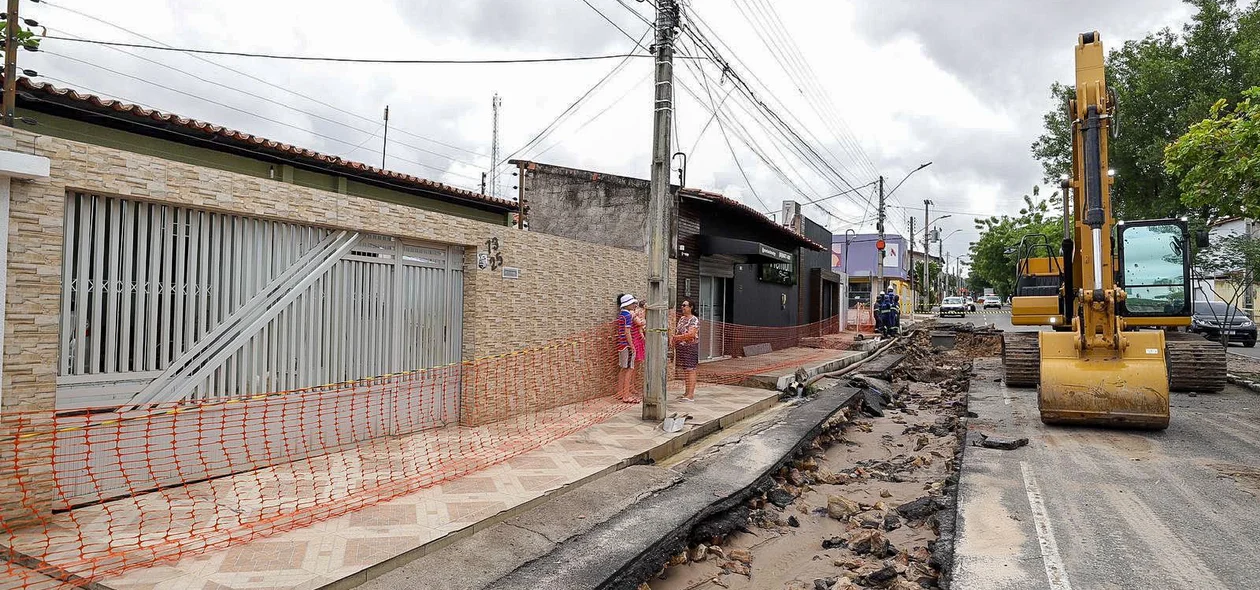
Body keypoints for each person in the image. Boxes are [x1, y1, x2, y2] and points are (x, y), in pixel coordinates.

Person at [671, 299, 701, 402]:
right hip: (681, 347)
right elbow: (678, 330)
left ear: (691, 307)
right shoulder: (682, 318)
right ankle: (686, 392)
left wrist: (677, 338)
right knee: (685, 370)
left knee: (690, 369)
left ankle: (690, 394)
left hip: (690, 347)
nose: (683, 307)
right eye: (682, 305)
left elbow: (691, 334)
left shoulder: (694, 319)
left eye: (685, 305)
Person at [616, 294, 638, 403]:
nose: (635, 305)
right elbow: (627, 332)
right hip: (627, 345)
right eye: (633, 303)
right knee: (629, 369)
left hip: (620, 344)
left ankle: (620, 393)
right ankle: (626, 395)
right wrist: (632, 346)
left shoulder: (621, 315)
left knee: (623, 368)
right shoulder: (628, 316)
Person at [631, 299, 647, 366]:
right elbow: (640, 323)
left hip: (639, 332)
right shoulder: (638, 312)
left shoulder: (638, 311)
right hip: (637, 334)